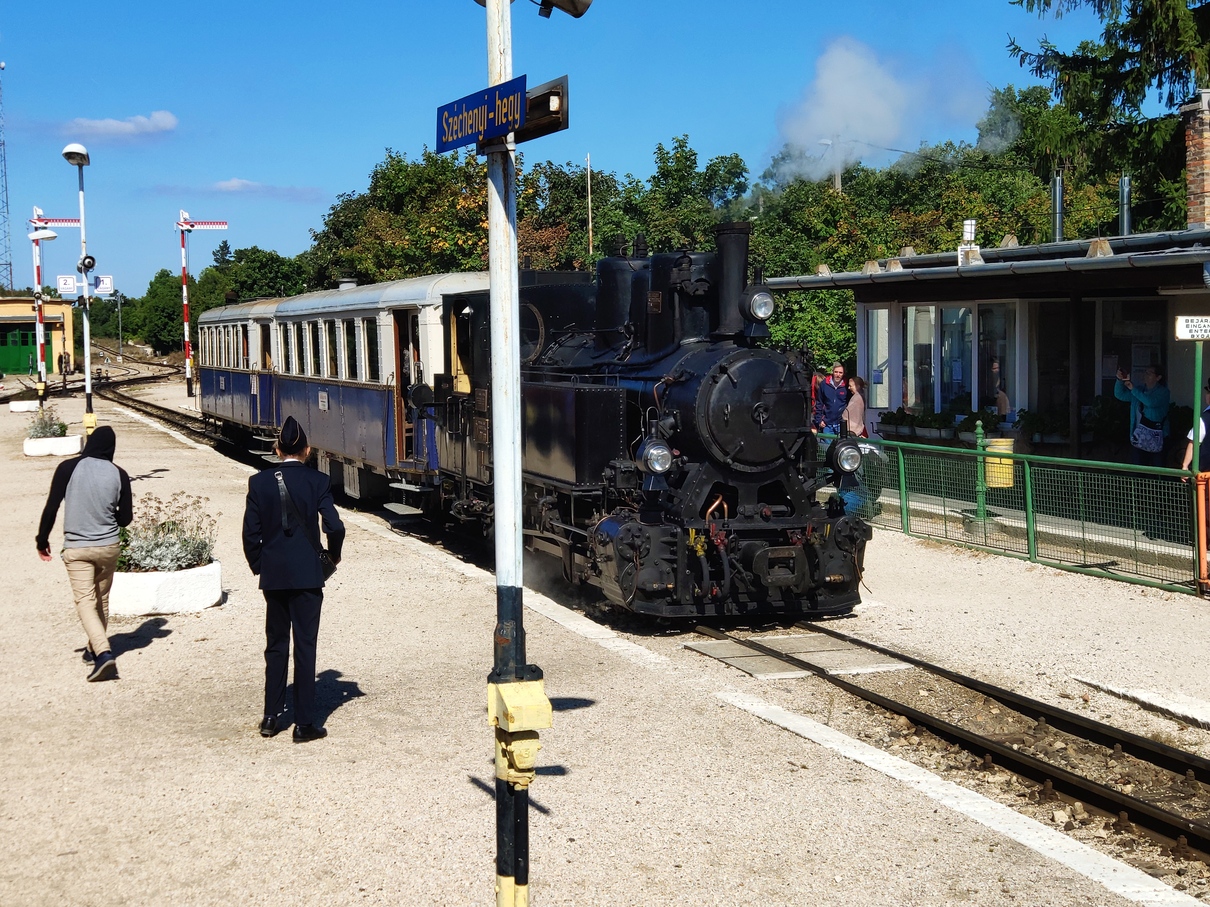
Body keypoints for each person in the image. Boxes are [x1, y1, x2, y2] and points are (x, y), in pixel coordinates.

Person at [242, 416, 345, 743]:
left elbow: (250, 535)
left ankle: (270, 717)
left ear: (276, 450)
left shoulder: (258, 482)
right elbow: (335, 526)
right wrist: (333, 555)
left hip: (274, 576)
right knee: (305, 646)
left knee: (275, 645)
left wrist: (261, 565)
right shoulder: (318, 481)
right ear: (307, 450)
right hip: (307, 576)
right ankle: (303, 724)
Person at [35, 425, 133, 682]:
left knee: (85, 602)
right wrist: (105, 516)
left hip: (77, 548)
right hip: (109, 547)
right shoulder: (120, 473)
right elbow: (125, 519)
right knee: (102, 599)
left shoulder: (67, 468)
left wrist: (42, 539)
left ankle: (103, 653)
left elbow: (52, 507)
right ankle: (93, 648)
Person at [1114, 364, 1171, 467]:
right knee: (1139, 470)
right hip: (1138, 436)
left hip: (1158, 437)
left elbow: (1150, 402)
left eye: (1149, 373)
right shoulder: (1139, 389)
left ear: (1158, 377)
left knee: (1157, 470)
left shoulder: (1163, 392)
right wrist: (1119, 380)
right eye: (1145, 372)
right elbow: (1120, 395)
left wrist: (1133, 389)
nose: (1145, 375)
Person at [814, 362, 849, 436]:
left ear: (843, 374)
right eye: (836, 372)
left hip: (841, 424)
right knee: (827, 443)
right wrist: (819, 419)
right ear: (832, 372)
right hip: (827, 424)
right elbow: (819, 402)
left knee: (841, 443)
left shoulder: (847, 385)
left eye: (840, 373)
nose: (838, 375)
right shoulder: (824, 384)